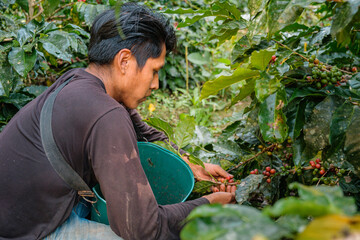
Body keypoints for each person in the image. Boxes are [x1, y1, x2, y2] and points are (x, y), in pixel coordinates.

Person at [0, 3, 236, 240]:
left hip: (38, 207)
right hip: (25, 231)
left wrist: (194, 165)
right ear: (125, 61)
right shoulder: (106, 114)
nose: (155, 84)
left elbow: (145, 134)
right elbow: (142, 229)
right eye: (154, 71)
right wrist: (207, 206)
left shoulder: (81, 82)